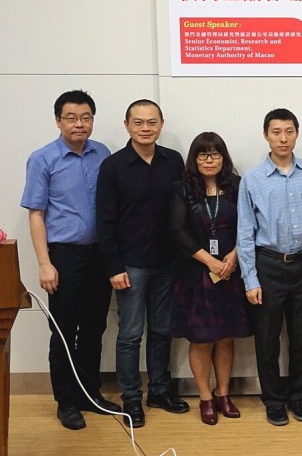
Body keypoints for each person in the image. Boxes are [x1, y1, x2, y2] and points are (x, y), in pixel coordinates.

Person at [21, 90, 120, 430]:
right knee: (64, 330)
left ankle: (90, 395)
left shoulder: (102, 154)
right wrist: (44, 262)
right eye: (71, 118)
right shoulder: (43, 159)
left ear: (93, 119)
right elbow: (36, 214)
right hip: (64, 255)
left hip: (99, 254)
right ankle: (66, 402)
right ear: (58, 121)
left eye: (86, 117)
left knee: (95, 328)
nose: (79, 124)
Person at [97, 99, 187, 428]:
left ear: (161, 125)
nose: (145, 128)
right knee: (131, 334)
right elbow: (104, 222)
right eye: (138, 122)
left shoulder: (173, 161)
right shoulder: (114, 166)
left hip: (168, 263)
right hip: (130, 265)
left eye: (151, 122)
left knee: (162, 330)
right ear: (127, 126)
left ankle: (160, 391)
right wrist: (113, 266)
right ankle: (131, 398)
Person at [236, 108, 302, 427]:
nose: (283, 138)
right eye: (276, 132)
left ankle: (299, 397)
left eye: (289, 131)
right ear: (266, 135)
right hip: (268, 265)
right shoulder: (252, 178)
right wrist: (250, 278)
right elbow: (245, 231)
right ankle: (273, 400)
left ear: (297, 134)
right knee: (267, 339)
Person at [168, 132, 251, 425]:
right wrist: (211, 261)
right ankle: (204, 397)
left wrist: (234, 255)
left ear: (223, 158)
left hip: (231, 271)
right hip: (195, 274)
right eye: (203, 154)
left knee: (226, 336)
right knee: (201, 339)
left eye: (215, 154)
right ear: (194, 158)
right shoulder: (182, 190)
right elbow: (177, 231)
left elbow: (251, 223)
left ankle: (223, 393)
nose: (209, 160)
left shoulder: (237, 187)